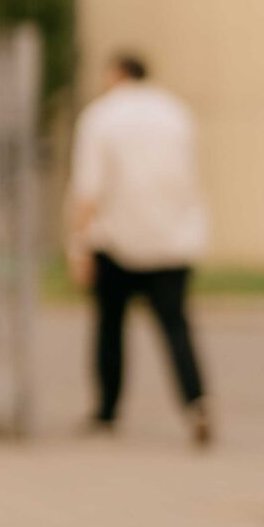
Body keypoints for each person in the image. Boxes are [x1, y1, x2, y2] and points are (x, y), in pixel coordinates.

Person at [66, 52, 211, 445]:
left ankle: (107, 411)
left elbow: (88, 188)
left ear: (115, 74)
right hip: (173, 240)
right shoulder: (176, 112)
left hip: (117, 240)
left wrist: (79, 247)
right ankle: (196, 402)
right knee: (176, 327)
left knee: (110, 328)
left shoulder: (101, 115)